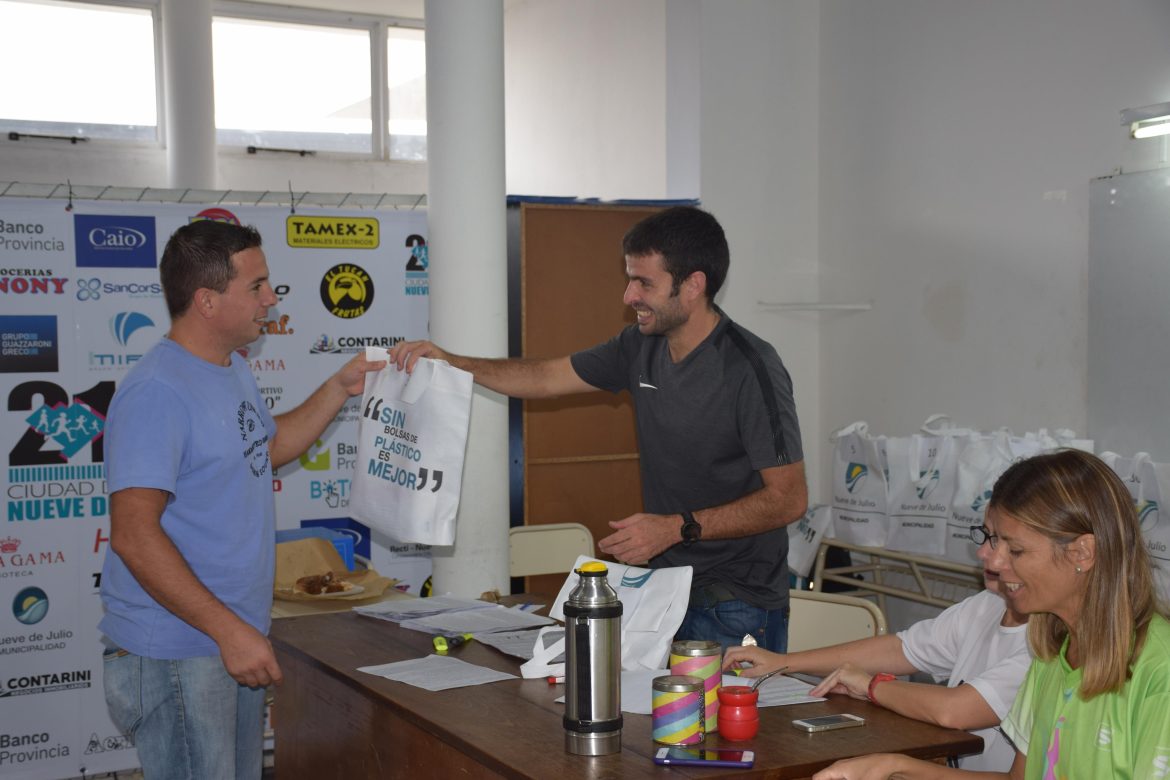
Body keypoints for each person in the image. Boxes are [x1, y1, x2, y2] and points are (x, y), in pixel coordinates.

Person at [389, 206, 807, 651]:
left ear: (693, 286)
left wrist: (675, 528)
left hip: (735, 602)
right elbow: (545, 378)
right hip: (665, 591)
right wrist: (452, 362)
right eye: (629, 280)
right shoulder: (639, 346)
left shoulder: (750, 368)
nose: (629, 296)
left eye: (644, 283)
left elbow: (789, 499)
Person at [99, 220, 384, 779]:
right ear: (207, 301)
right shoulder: (157, 391)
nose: (271, 298)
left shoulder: (229, 369)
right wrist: (229, 631)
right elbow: (134, 534)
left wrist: (339, 388)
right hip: (182, 652)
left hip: (226, 641)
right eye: (256, 286)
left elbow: (266, 449)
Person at [811, 449, 1170, 780]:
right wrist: (894, 767)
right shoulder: (1053, 654)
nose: (994, 561)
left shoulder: (1159, 671)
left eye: (1016, 550)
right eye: (995, 541)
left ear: (1082, 553)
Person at [722, 524, 1031, 771]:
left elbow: (956, 711)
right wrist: (785, 662)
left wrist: (872, 686)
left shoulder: (1043, 642)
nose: (983, 552)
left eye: (1006, 543)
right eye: (986, 535)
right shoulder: (986, 605)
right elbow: (901, 650)